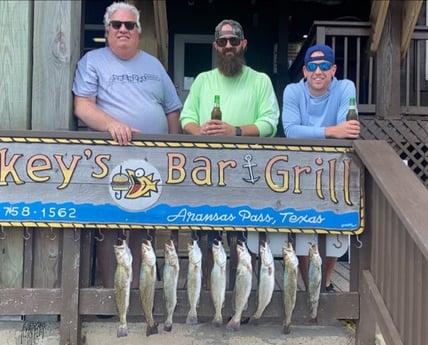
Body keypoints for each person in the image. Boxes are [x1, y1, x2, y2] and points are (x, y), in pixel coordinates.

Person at [72, 1, 182, 290]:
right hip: (112, 157)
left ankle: (137, 293)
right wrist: (112, 125)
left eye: (129, 25)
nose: (123, 30)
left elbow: (172, 109)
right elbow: (83, 106)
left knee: (142, 225)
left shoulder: (154, 64)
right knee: (109, 225)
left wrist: (172, 152)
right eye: (116, 25)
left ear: (138, 32)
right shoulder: (92, 61)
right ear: (107, 31)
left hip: (151, 159)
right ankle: (112, 295)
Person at [179, 19, 280, 286]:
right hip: (206, 172)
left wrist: (233, 131)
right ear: (215, 46)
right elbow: (186, 117)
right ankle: (208, 297)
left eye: (234, 41)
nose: (228, 46)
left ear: (243, 44)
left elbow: (269, 123)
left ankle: (241, 299)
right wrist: (198, 131)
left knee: (242, 240)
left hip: (247, 174)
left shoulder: (260, 80)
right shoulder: (202, 80)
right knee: (205, 239)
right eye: (222, 42)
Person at [281, 44, 360, 292]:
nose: (318, 71)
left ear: (333, 69)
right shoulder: (292, 91)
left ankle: (325, 282)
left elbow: (350, 130)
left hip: (335, 168)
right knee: (303, 226)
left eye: (324, 65)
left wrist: (333, 133)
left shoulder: (345, 87)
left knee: (336, 227)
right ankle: (306, 285)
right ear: (304, 70)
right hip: (300, 170)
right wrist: (332, 131)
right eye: (312, 66)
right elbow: (291, 131)